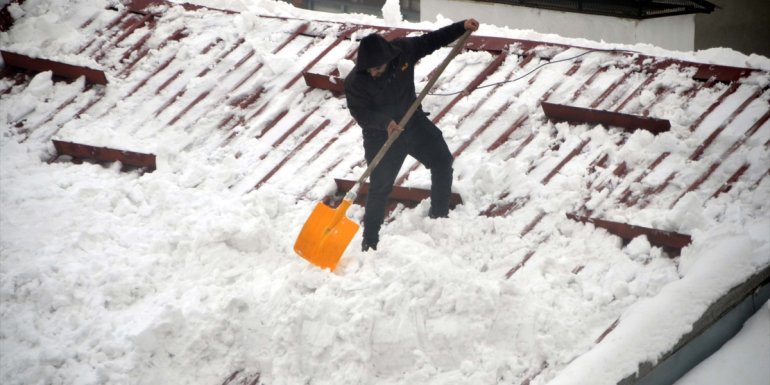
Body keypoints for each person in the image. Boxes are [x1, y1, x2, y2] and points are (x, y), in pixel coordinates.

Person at [344, 18, 480, 252]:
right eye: (369, 69)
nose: (373, 73)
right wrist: (385, 122)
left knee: (442, 161)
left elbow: (432, 40)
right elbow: (360, 112)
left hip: (412, 122)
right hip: (381, 135)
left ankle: (439, 217)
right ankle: (370, 243)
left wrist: (461, 27)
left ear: (387, 59)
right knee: (379, 188)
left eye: (377, 68)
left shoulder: (403, 51)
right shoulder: (355, 82)